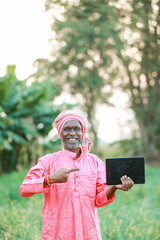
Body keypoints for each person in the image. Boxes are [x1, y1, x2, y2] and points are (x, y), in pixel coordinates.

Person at [20, 110, 134, 240]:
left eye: (77, 129)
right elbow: (24, 189)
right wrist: (50, 179)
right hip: (57, 234)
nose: (72, 133)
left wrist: (113, 188)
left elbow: (99, 200)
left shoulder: (95, 162)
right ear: (60, 133)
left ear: (82, 133)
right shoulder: (48, 161)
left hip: (89, 234)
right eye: (67, 129)